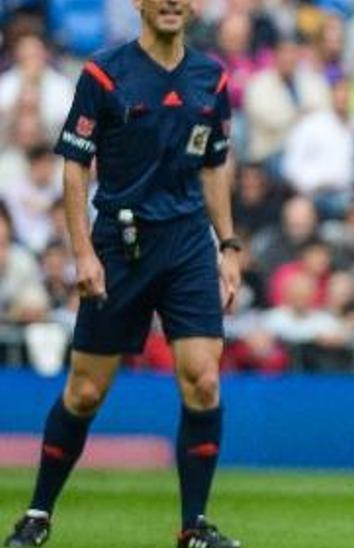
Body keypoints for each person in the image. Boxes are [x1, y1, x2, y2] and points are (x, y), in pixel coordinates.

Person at [3, 0, 243, 546]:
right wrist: (83, 252)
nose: (172, 3)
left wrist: (228, 245)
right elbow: (75, 164)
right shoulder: (103, 73)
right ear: (139, 3)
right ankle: (38, 513)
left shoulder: (213, 77)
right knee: (85, 392)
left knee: (204, 380)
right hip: (121, 242)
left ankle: (193, 527)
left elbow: (213, 165)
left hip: (186, 244)